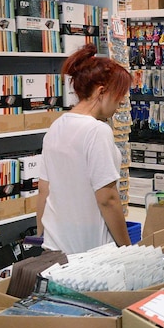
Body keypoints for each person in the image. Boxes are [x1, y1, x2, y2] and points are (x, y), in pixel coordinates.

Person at [37, 44, 132, 254]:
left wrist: (41, 235)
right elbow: (107, 198)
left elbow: (44, 188)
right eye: (119, 95)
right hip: (90, 251)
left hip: (55, 247)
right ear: (101, 92)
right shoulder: (97, 131)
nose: (121, 103)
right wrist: (127, 248)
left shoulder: (56, 126)